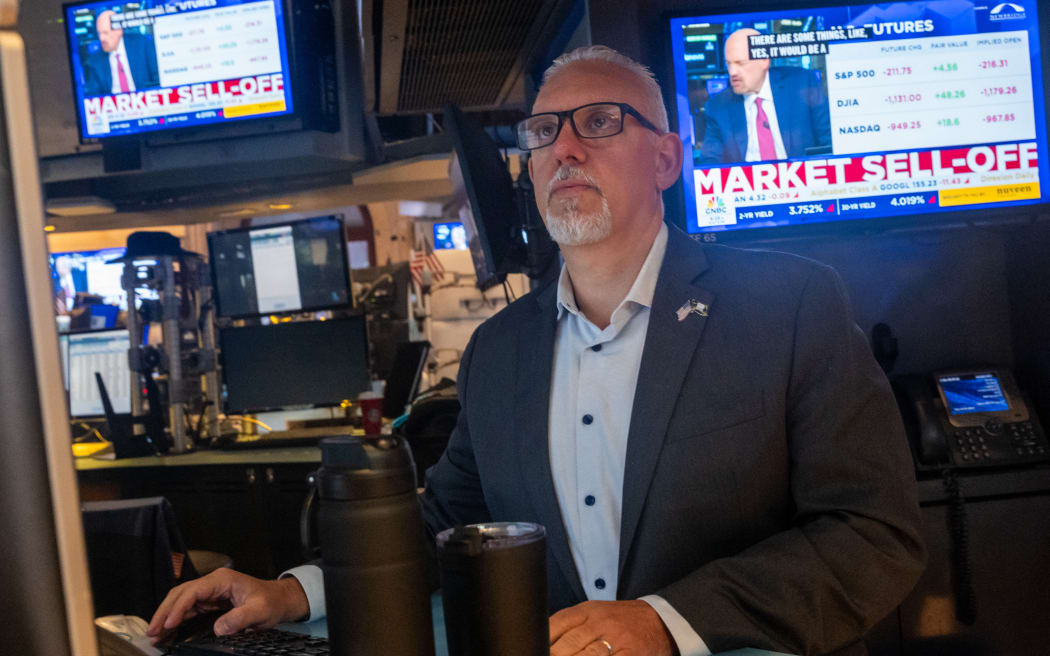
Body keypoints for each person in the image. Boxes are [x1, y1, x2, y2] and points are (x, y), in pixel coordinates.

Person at [148, 45, 924, 656]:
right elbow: (452, 524)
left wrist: (666, 623)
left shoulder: (789, 305)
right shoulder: (500, 351)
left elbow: (873, 534)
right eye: (544, 131)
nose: (564, 148)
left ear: (666, 159)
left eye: (600, 122)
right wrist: (296, 592)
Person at [698, 28, 831, 164]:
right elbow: (709, 162)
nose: (732, 72)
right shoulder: (718, 106)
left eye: (741, 63)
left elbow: (829, 141)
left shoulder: (801, 84)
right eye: (729, 63)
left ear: (764, 61)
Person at [81, 9, 160, 97]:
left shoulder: (142, 44)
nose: (101, 38)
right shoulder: (95, 60)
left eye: (105, 33)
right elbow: (93, 95)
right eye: (99, 33)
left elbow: (158, 78)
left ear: (119, 31)